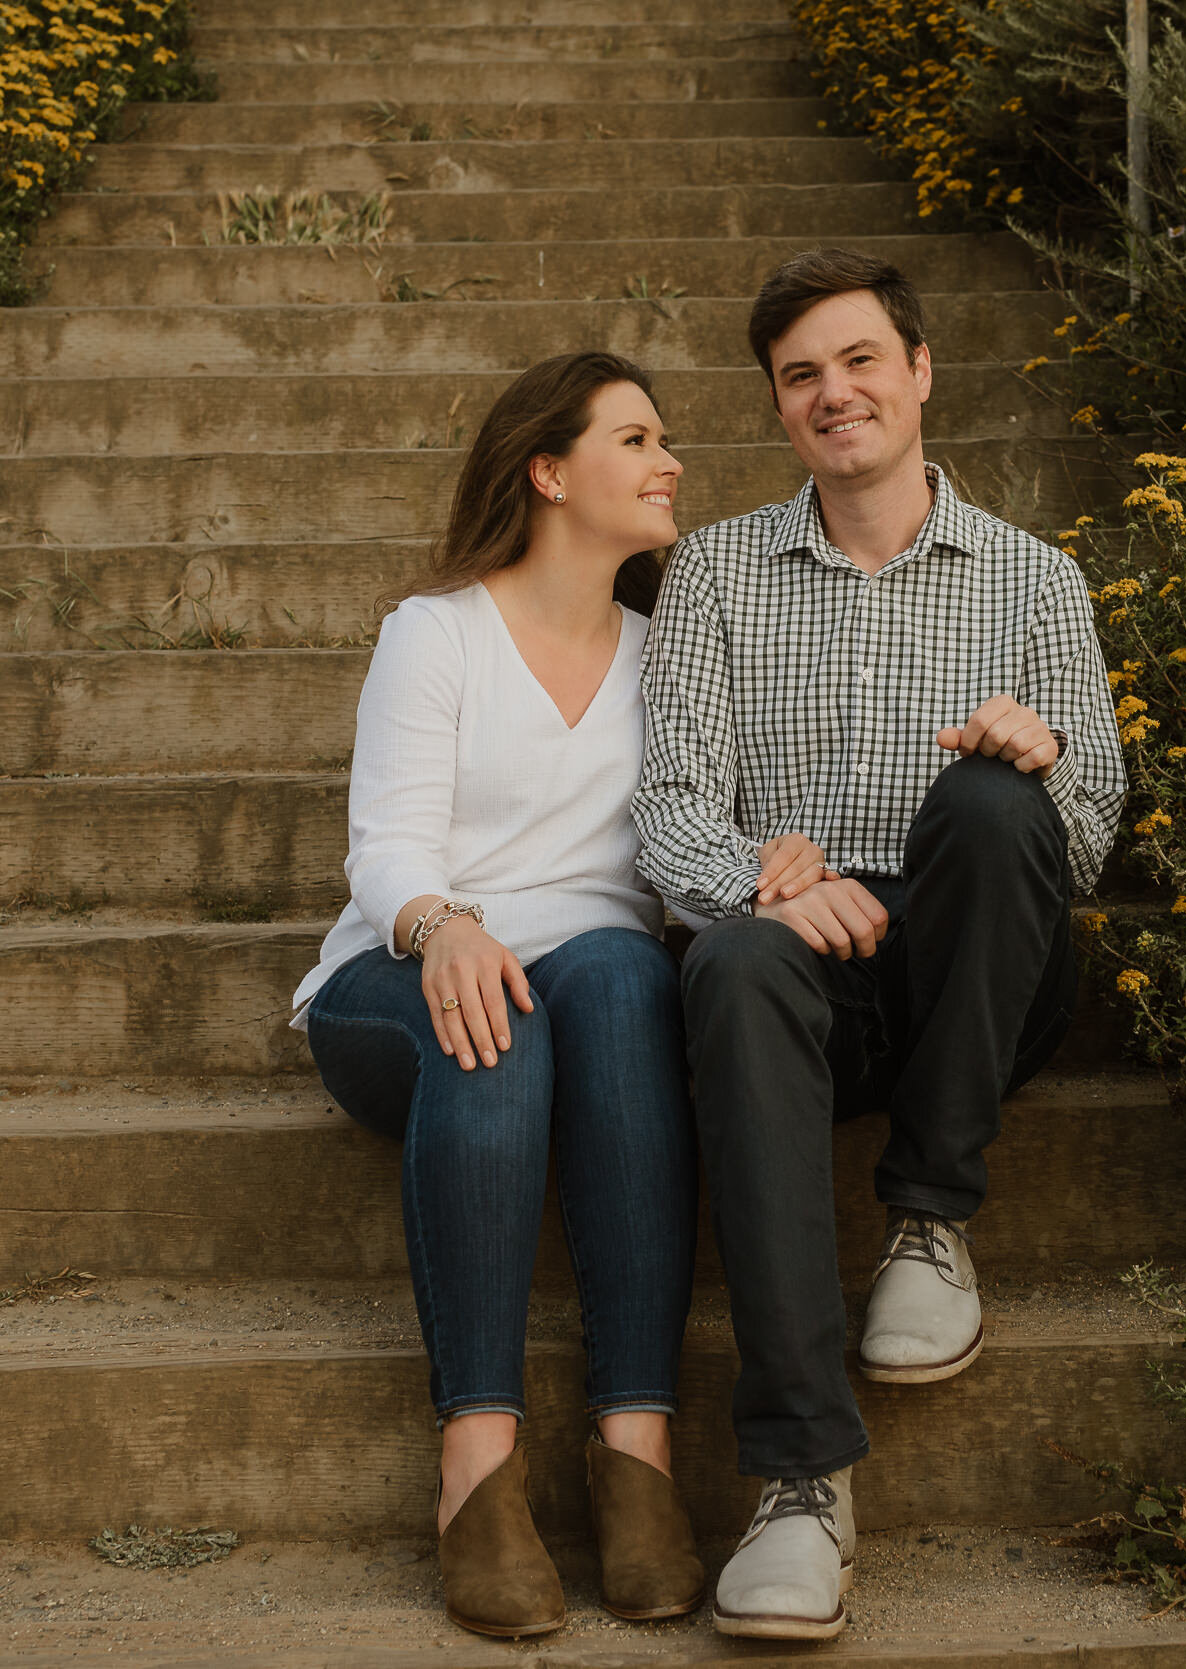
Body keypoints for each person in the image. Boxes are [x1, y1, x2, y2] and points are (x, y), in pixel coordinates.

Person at [632, 250, 1127, 1640]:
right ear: (780, 410)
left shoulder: (1037, 580)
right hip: (800, 990)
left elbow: (1088, 841)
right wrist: (760, 881)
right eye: (801, 376)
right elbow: (668, 811)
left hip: (978, 969)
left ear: (919, 372)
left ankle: (930, 1212)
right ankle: (800, 1474)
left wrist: (1038, 764)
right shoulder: (715, 575)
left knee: (988, 793)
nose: (833, 392)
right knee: (725, 955)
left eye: (859, 361)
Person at [291, 351, 710, 1639]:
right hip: (402, 976)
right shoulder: (439, 632)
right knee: (502, 1020)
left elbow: (695, 837)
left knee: (627, 973)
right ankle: (476, 1460)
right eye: (634, 440)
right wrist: (444, 928)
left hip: (596, 987)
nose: (669, 461)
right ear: (548, 470)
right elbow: (389, 847)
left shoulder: (674, 649)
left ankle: (633, 1450)